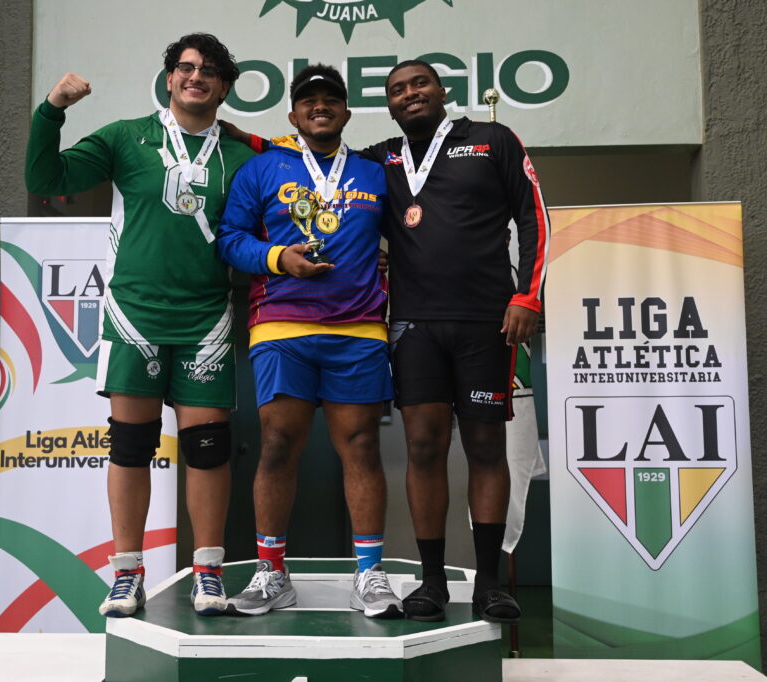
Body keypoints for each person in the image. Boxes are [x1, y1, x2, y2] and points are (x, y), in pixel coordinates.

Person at [24, 33, 254, 618]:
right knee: (130, 447)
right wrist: (51, 110)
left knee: (208, 449)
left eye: (208, 71)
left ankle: (207, 571)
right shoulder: (126, 137)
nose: (194, 76)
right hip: (136, 313)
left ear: (224, 86)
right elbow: (45, 179)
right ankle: (127, 575)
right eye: (185, 67)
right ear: (170, 78)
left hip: (209, 314)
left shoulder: (246, 157)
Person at [367, 60, 550, 623]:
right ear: (391, 104)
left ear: (441, 91)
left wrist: (527, 297)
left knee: (486, 449)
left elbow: (534, 215)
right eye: (397, 90)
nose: (409, 94)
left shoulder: (492, 140)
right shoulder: (381, 158)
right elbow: (312, 154)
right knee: (423, 449)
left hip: (485, 323)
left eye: (419, 84)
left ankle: (490, 584)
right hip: (414, 325)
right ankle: (431, 583)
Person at [216, 64, 402, 619]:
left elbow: (413, 236)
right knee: (277, 445)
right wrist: (280, 259)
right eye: (308, 100)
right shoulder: (261, 168)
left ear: (345, 113)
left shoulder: (374, 173)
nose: (320, 106)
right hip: (282, 323)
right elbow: (230, 239)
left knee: (362, 447)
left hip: (359, 328)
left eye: (331, 100)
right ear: (293, 115)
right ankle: (272, 573)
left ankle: (369, 575)